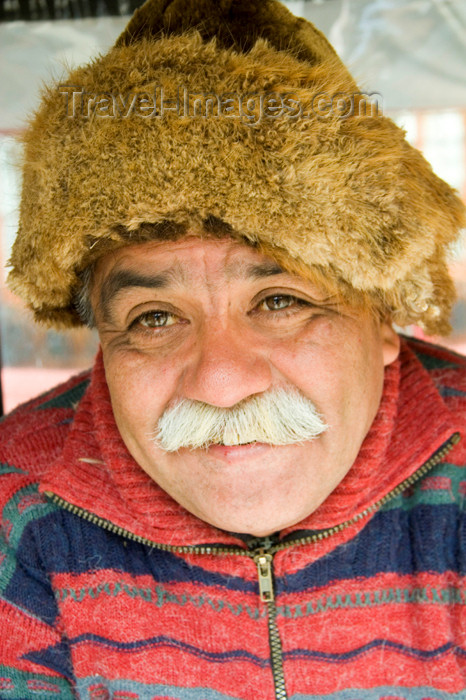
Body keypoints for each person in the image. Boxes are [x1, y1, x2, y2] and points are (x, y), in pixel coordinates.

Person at [1, 0, 466, 697]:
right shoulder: (17, 502)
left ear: (383, 322)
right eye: (155, 317)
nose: (220, 383)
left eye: (280, 302)